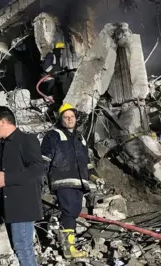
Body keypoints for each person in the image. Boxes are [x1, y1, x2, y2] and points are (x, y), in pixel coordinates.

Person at [41, 103, 105, 259]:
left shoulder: (80, 137)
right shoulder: (53, 135)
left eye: (72, 117)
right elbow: (44, 158)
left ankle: (69, 245)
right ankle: (68, 248)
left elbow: (87, 163)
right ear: (61, 119)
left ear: (76, 118)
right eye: (66, 117)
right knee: (69, 211)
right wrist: (40, 179)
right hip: (62, 180)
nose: (69, 119)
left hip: (79, 181)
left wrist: (95, 177)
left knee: (73, 212)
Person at [0, 106, 43, 266]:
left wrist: (7, 179)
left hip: (22, 205)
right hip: (7, 206)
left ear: (2, 122)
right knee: (19, 249)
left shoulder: (26, 140)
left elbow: (37, 169)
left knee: (23, 249)